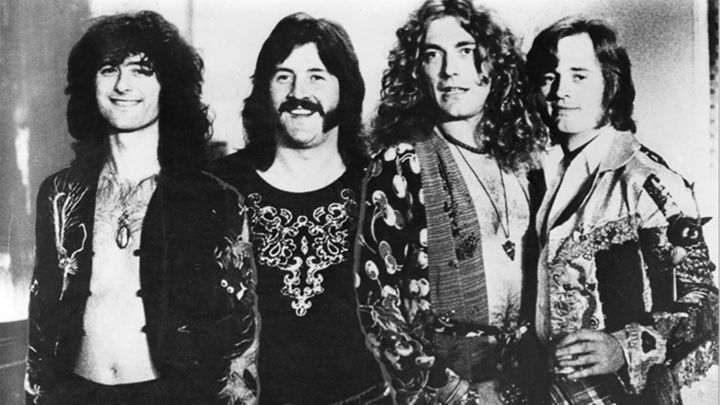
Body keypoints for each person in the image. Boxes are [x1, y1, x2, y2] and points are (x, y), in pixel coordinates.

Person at [25, 11, 259, 404]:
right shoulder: (60, 193)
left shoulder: (215, 200)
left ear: (169, 85)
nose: (122, 85)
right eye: (108, 69)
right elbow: (42, 320)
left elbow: (240, 335)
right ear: (89, 83)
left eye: (141, 70)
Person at [354, 0, 550, 403]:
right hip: (450, 391)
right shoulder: (400, 162)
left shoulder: (526, 163)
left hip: (530, 385)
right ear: (417, 70)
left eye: (465, 50)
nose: (449, 70)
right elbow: (377, 308)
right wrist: (460, 395)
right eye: (432, 54)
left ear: (495, 64)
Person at [526, 17, 718, 404]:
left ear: (610, 84)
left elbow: (706, 302)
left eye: (579, 76)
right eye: (549, 77)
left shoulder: (649, 182)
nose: (561, 91)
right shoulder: (538, 175)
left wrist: (624, 346)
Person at [211, 12, 387, 404]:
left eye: (316, 77)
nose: (298, 92)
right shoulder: (220, 186)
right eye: (283, 76)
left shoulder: (379, 186)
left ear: (346, 89)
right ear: (265, 89)